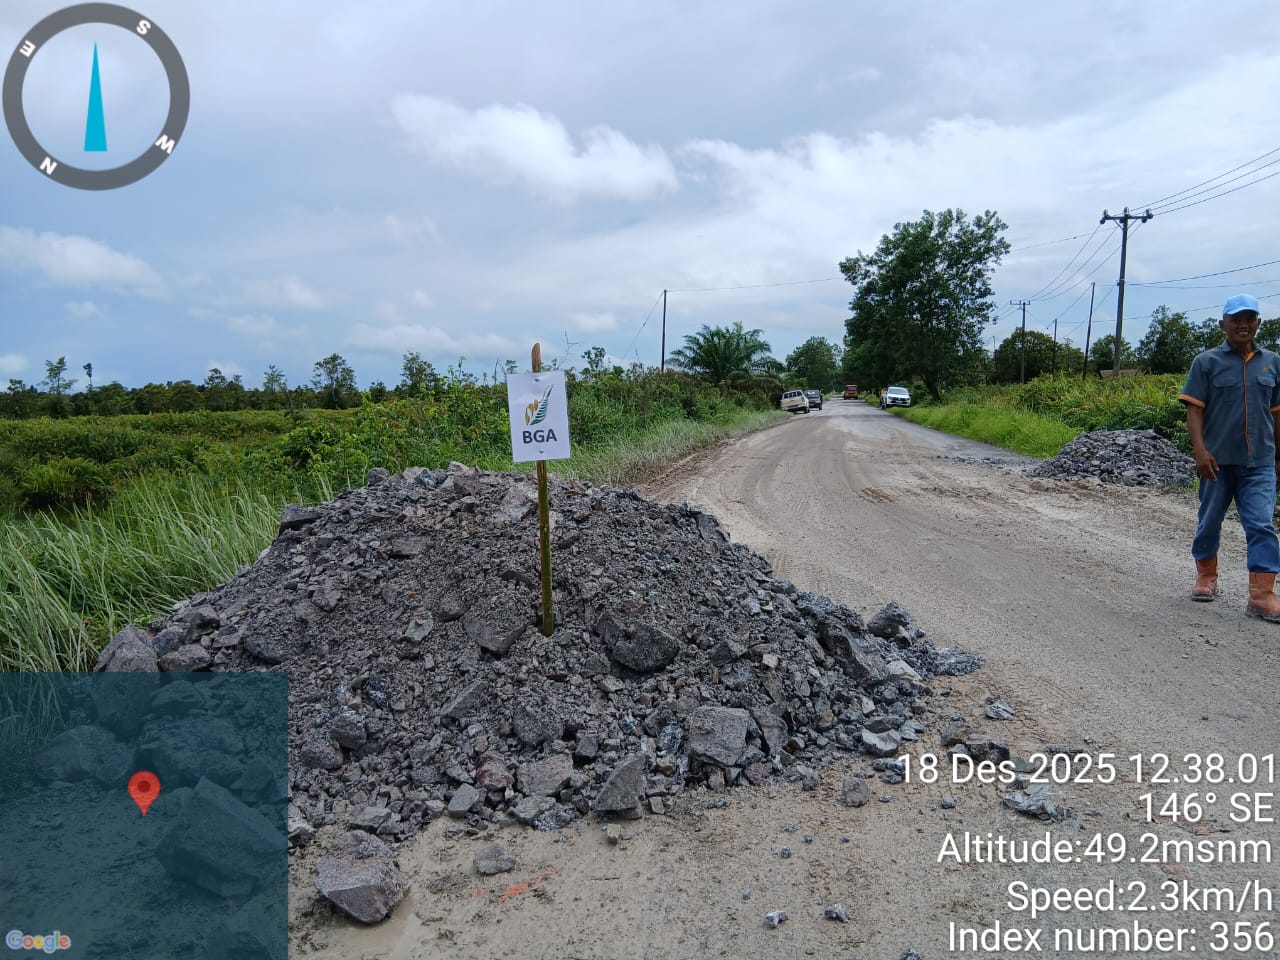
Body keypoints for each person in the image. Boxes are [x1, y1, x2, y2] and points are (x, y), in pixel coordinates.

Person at [1179, 293, 1280, 620]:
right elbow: (1194, 410)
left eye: (1249, 319)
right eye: (1236, 319)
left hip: (1260, 463)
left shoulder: (1272, 362)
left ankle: (1262, 595)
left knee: (1261, 524)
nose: (1243, 325)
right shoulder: (1206, 362)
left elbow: (1277, 414)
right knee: (1209, 521)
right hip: (1216, 462)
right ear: (1223, 324)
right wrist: (1200, 451)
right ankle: (1206, 577)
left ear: (1258, 323)